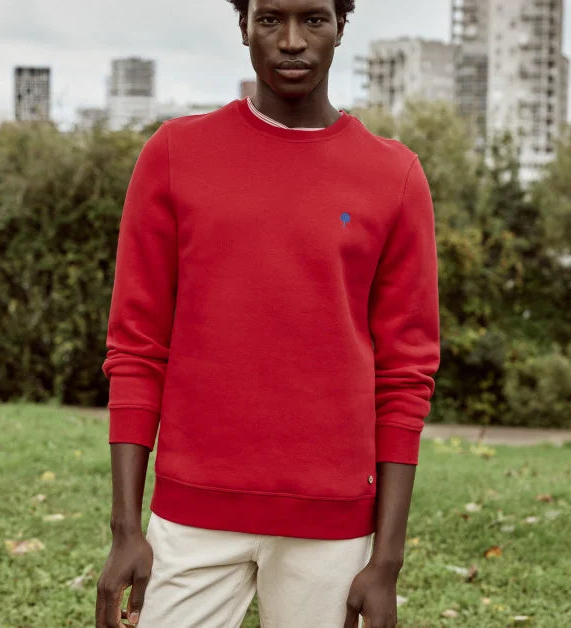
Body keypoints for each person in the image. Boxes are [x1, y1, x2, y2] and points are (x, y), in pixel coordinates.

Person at [95, 0, 440, 626]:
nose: (291, 40)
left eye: (314, 19)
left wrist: (385, 562)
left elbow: (405, 374)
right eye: (270, 18)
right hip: (191, 515)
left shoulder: (394, 176)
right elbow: (137, 347)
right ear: (243, 25)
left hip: (332, 527)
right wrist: (126, 530)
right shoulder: (174, 154)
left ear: (341, 27)